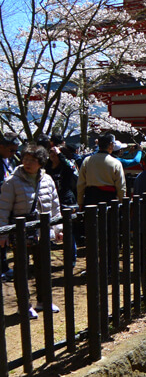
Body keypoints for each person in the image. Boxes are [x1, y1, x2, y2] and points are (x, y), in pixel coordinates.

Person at [0, 144, 62, 319]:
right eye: (25, 159)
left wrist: (58, 228)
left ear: (41, 163)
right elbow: (3, 208)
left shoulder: (47, 180)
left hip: (41, 229)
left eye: (32, 160)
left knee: (43, 266)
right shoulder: (11, 181)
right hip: (20, 231)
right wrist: (3, 233)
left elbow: (55, 206)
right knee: (21, 269)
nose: (27, 163)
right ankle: (24, 305)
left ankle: (44, 300)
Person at [77, 133, 126, 209]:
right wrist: (122, 201)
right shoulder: (116, 163)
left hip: (90, 199)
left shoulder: (87, 161)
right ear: (110, 144)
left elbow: (80, 184)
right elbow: (121, 186)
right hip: (109, 200)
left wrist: (80, 202)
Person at [0, 131, 21, 280]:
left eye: (15, 150)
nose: (14, 153)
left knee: (5, 239)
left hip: (9, 204)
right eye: (11, 150)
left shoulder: (12, 161)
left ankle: (4, 266)